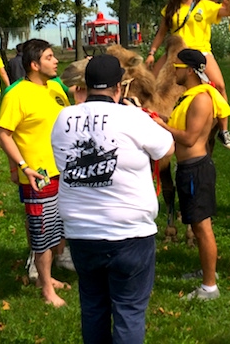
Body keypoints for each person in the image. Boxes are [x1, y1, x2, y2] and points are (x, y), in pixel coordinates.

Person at [51, 55, 174, 343]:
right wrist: (137, 113)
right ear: (119, 88)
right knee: (128, 310)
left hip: (82, 231)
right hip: (130, 232)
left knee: (93, 307)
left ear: (86, 85)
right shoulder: (133, 117)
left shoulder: (63, 118)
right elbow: (166, 149)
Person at [0, 39, 70, 307]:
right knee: (42, 233)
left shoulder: (56, 87)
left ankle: (46, 278)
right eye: (50, 57)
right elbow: (3, 133)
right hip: (38, 176)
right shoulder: (17, 94)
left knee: (56, 230)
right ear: (34, 65)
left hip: (62, 171)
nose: (56, 61)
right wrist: (21, 166)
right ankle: (46, 290)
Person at [160, 48, 230, 300]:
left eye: (177, 66)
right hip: (189, 169)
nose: (173, 71)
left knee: (202, 227)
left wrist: (162, 126)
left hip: (196, 169)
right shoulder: (190, 96)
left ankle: (209, 287)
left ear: (189, 70)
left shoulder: (201, 98)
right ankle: (206, 271)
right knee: (198, 224)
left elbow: (190, 138)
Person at [146, 0, 230, 149]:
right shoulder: (171, 9)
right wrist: (151, 52)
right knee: (151, 84)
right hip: (176, 52)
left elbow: (229, 12)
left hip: (201, 51)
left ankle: (224, 130)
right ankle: (151, 118)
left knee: (219, 86)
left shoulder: (204, 5)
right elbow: (161, 33)